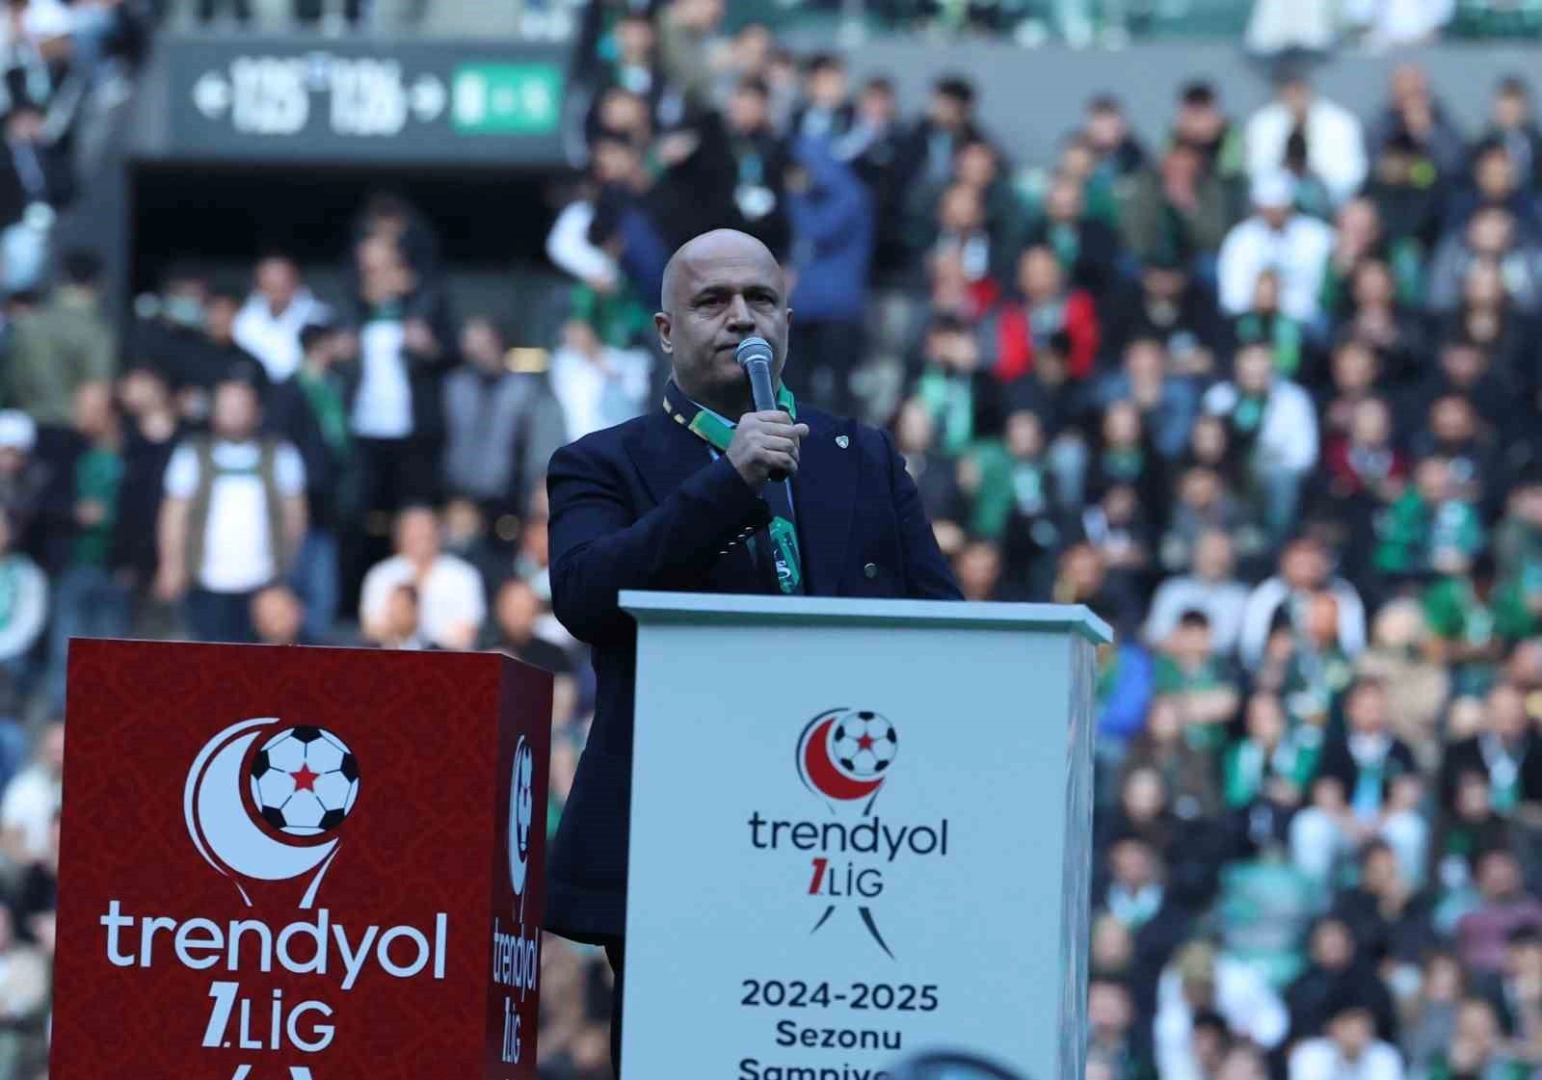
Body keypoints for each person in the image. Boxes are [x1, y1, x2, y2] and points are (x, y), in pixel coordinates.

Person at [544, 228, 961, 1070]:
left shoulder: (863, 457)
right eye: (713, 301)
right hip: (676, 844)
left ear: (789, 322)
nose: (742, 318)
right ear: (666, 332)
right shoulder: (603, 462)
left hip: (843, 837)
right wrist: (727, 483)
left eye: (761, 299)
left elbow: (944, 632)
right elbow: (586, 596)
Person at [155, 377, 308, 644]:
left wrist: (288, 568)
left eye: (241, 406)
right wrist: (171, 564)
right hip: (206, 581)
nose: (234, 413)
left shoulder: (281, 454)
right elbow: (174, 515)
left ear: (257, 411)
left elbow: (295, 517)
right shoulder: (191, 454)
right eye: (227, 406)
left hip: (264, 582)